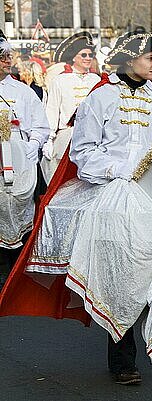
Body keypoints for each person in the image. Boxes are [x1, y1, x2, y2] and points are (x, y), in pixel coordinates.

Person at [0, 31, 152, 385]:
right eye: (150, 57)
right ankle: (123, 355)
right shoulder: (100, 98)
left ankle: (138, 320)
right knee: (119, 274)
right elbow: (83, 152)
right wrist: (118, 171)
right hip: (110, 193)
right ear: (130, 58)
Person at [0, 35, 50, 286]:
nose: (7, 60)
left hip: (18, 159)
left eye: (8, 55)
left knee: (18, 210)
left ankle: (16, 275)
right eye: (2, 56)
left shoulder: (23, 91)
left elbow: (41, 126)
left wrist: (34, 143)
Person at [41, 32, 100, 183]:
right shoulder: (60, 80)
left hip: (93, 137)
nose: (88, 58)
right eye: (84, 55)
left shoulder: (96, 80)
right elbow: (52, 110)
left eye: (90, 55)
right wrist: (48, 138)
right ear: (74, 57)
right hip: (66, 137)